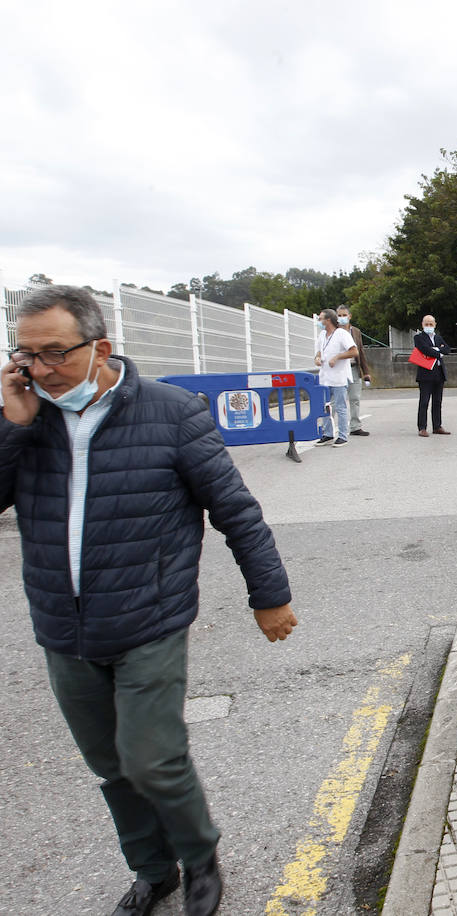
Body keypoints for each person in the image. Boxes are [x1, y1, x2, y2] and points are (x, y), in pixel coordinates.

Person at [0, 286, 298, 916]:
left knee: (152, 758)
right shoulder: (24, 417)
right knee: (111, 766)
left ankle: (200, 859)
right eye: (24, 354)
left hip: (149, 621)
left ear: (100, 347)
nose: (38, 369)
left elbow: (236, 511)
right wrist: (12, 427)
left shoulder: (172, 413)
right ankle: (152, 870)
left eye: (53, 353)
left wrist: (269, 596)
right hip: (64, 629)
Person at [314, 308, 357, 447]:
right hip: (325, 377)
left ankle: (343, 435)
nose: (319, 321)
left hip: (339, 377)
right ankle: (327, 434)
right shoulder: (322, 335)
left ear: (328, 320)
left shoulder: (341, 334)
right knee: (325, 407)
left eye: (321, 319)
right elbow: (318, 352)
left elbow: (354, 351)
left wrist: (337, 357)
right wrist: (317, 358)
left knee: (340, 406)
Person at [336, 305, 371, 436]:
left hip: (354, 368)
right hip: (339, 369)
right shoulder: (334, 331)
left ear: (349, 316)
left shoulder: (356, 331)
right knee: (336, 400)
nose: (342, 318)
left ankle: (355, 426)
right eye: (339, 315)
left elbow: (360, 351)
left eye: (344, 315)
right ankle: (328, 428)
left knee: (355, 397)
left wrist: (366, 371)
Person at [413, 315, 452, 437]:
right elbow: (425, 349)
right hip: (425, 374)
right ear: (422, 324)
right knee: (424, 401)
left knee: (437, 401)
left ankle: (437, 426)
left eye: (431, 324)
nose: (429, 326)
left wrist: (437, 350)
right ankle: (422, 427)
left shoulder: (438, 337)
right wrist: (438, 351)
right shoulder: (419, 337)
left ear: (435, 325)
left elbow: (447, 349)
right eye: (426, 324)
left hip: (439, 373)